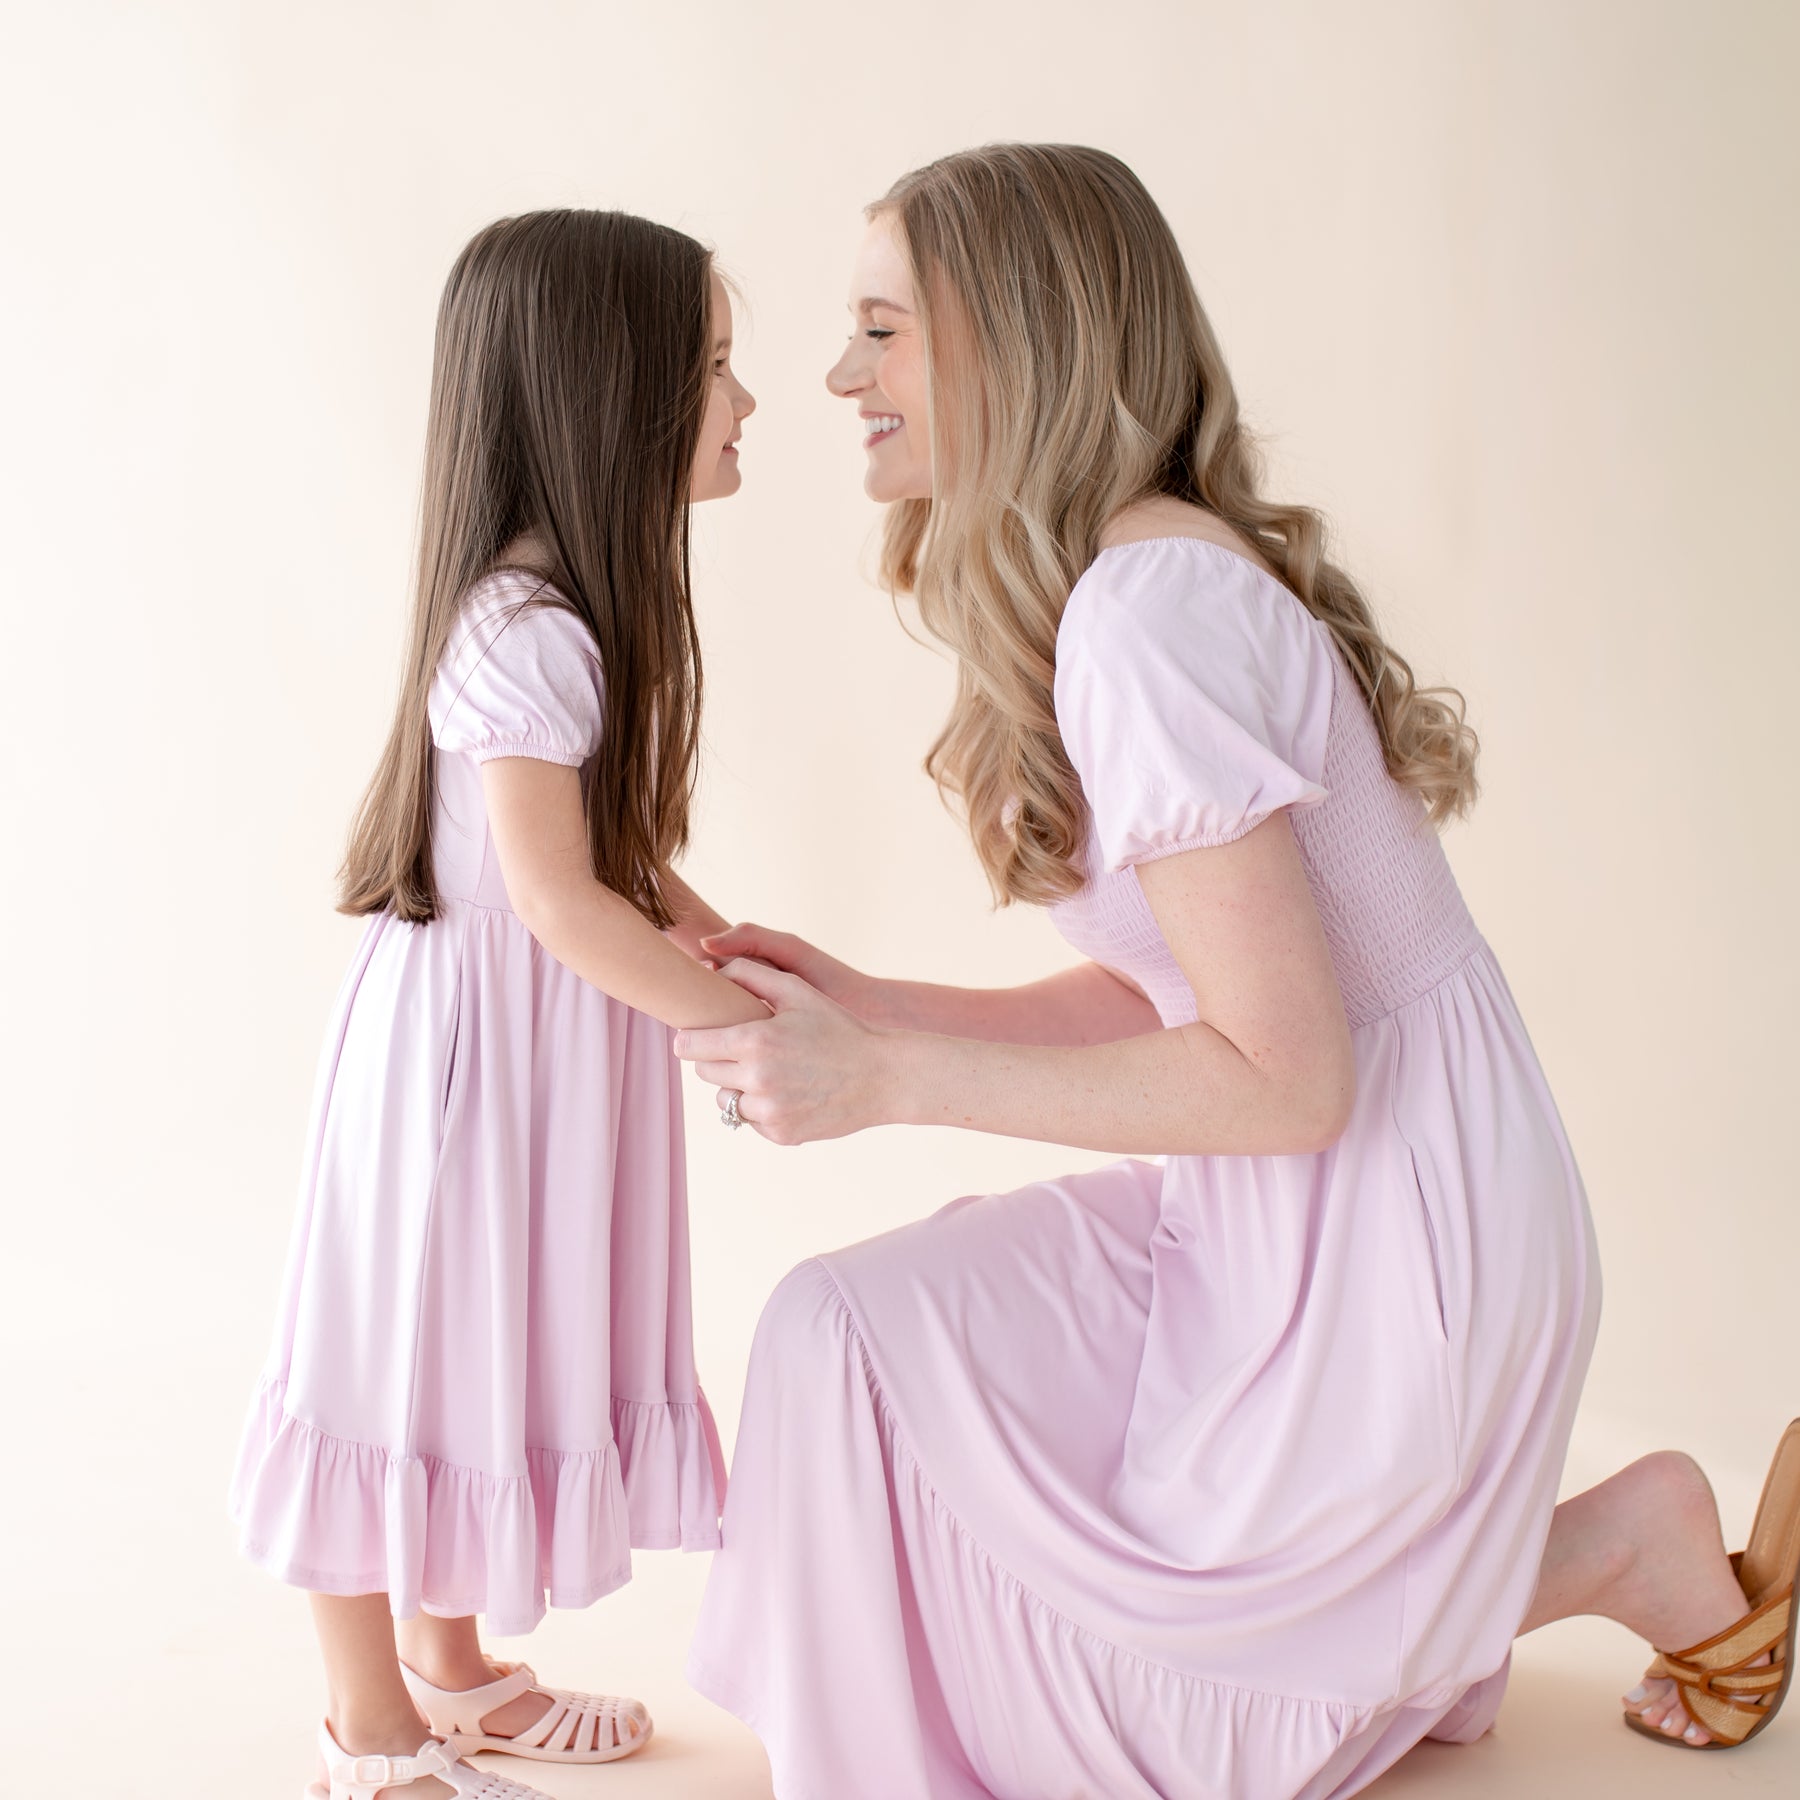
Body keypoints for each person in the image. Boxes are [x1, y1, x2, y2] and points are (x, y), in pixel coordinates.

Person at [674, 144, 1796, 1797]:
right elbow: (1184, 1003)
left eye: (880, 330)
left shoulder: (1149, 615)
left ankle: (1626, 1547)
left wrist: (893, 1081)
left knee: (1181, 1740)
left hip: (1404, 1228)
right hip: (1285, 1197)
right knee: (839, 1339)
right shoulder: (1127, 586)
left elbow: (1293, 1077)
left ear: (1015, 339)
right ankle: (1576, 1554)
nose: (839, 376)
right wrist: (877, 1004)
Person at [230, 208, 762, 1800]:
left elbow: (614, 859)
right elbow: (552, 895)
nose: (748, 404)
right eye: (717, 369)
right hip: (467, 1071)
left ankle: (451, 1671)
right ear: (617, 396)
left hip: (529, 1062)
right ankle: (368, 1728)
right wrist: (722, 1029)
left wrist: (735, 952)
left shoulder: (563, 622)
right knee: (386, 1362)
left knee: (469, 1351)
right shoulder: (523, 631)